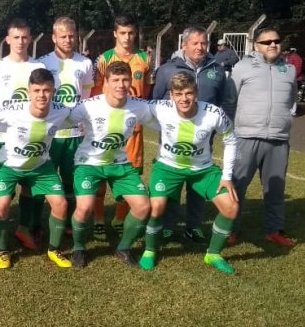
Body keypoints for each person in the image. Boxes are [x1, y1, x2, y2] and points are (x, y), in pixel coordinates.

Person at [141, 71, 239, 274]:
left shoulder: (213, 113)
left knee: (231, 207)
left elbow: (230, 139)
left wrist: (227, 177)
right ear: (171, 96)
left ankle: (213, 254)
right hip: (167, 167)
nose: (184, 99)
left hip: (202, 170)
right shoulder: (160, 108)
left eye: (188, 93)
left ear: (196, 92)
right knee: (157, 206)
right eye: (178, 94)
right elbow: (131, 106)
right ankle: (150, 250)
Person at [151, 26, 234, 245]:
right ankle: (168, 227)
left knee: (199, 178)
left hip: (204, 134)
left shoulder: (215, 68)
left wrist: (222, 124)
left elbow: (226, 100)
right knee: (172, 181)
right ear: (184, 45)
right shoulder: (167, 69)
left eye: (204, 43)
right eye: (195, 43)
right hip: (172, 136)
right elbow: (156, 99)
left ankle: (194, 226)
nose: (200, 47)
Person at [69, 61, 153, 268]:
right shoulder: (88, 106)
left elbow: (163, 118)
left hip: (120, 164)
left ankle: (123, 248)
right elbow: (60, 120)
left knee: (143, 207)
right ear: (106, 82)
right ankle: (79, 248)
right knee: (84, 208)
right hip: (88, 163)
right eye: (115, 80)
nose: (121, 85)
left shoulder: (139, 106)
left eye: (125, 79)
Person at [0, 68, 71, 269]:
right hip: (8, 166)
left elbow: (86, 114)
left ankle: (54, 250)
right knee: (1, 205)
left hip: (41, 167)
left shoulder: (62, 111)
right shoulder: (12, 112)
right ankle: (3, 250)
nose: (42, 95)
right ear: (28, 91)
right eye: (37, 90)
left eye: (46, 90)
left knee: (60, 204)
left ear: (53, 91)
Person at [229, 28, 299, 247]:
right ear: (256, 45)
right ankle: (230, 229)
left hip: (278, 140)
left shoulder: (288, 70)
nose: (272, 44)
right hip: (247, 137)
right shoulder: (242, 67)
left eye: (276, 41)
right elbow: (231, 100)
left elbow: (292, 101)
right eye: (266, 41)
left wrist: (285, 120)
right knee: (237, 186)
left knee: (275, 189)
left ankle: (274, 230)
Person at [91, 14, 152, 240]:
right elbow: (96, 93)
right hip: (105, 127)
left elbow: (146, 93)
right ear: (115, 33)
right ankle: (98, 220)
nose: (127, 37)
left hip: (133, 130)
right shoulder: (104, 59)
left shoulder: (144, 59)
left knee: (129, 175)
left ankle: (118, 218)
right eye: (123, 33)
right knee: (100, 178)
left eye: (131, 33)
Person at [0, 18, 46, 250]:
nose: (20, 42)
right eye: (16, 37)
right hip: (3, 138)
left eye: (24, 37)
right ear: (8, 39)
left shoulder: (38, 69)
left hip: (33, 139)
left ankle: (25, 228)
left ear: (30, 39)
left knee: (31, 185)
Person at [39, 17, 95, 240]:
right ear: (54, 37)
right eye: (63, 36)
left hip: (75, 135)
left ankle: (71, 224)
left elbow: (87, 98)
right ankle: (41, 224)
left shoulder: (85, 63)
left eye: (72, 35)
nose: (68, 40)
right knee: (44, 180)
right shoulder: (42, 63)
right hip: (51, 134)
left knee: (71, 180)